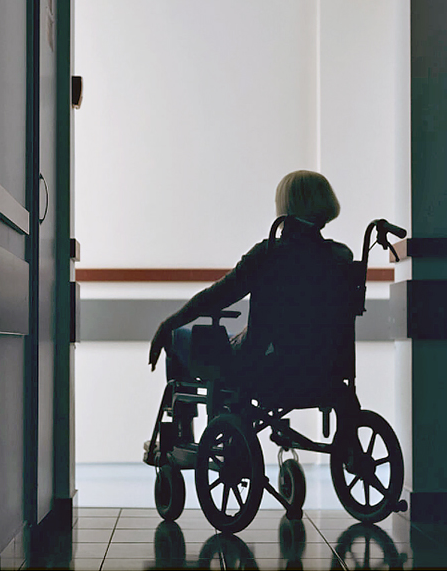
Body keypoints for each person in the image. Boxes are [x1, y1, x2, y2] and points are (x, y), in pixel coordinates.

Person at [147, 170, 359, 446]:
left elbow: (217, 296)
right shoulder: (341, 257)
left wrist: (169, 323)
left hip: (266, 368)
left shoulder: (268, 255)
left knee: (180, 337)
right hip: (325, 370)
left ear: (286, 207)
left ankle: (183, 431)